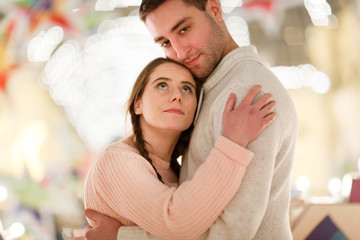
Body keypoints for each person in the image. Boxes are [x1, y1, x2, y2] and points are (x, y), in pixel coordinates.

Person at [85, 0, 298, 239]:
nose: (179, 52)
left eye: (184, 29)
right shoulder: (215, 87)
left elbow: (231, 232)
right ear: (138, 102)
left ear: (215, 10)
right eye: (165, 42)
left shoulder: (244, 92)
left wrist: (122, 237)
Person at [81, 57, 275, 240]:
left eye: (186, 89)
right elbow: (177, 222)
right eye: (162, 85)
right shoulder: (116, 160)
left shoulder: (174, 172)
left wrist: (122, 236)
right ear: (138, 104)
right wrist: (233, 141)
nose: (176, 96)